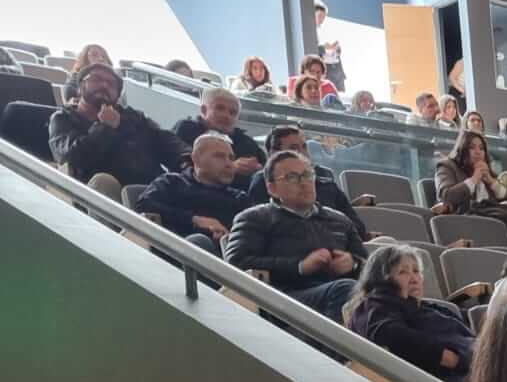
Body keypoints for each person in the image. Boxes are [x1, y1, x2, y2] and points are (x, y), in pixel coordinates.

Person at [223, 149, 369, 323]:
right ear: (272, 188)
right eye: (292, 177)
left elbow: (368, 265)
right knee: (345, 290)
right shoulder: (255, 218)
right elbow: (237, 264)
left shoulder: (339, 220)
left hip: (338, 290)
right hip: (283, 298)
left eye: (307, 175)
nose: (304, 183)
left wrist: (353, 263)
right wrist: (299, 266)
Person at [342, 244, 474, 382]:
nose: (414, 279)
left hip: (475, 371)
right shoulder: (373, 307)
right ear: (381, 280)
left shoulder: (431, 308)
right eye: (403, 272)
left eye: (416, 271)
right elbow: (388, 333)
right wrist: (448, 357)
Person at [49, 63, 185, 194]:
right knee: (103, 181)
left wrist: (187, 160)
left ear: (118, 95)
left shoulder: (133, 117)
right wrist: (105, 127)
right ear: (80, 86)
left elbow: (165, 140)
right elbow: (71, 157)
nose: (104, 85)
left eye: (111, 84)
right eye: (96, 79)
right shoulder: (63, 118)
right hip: (107, 194)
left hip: (153, 189)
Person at [133, 131, 250, 252]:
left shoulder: (239, 199)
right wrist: (194, 220)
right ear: (196, 159)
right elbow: (144, 205)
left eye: (231, 158)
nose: (229, 164)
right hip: (174, 252)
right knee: (199, 241)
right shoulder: (172, 183)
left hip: (222, 256)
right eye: (219, 156)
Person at [244, 124, 369, 232]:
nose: (302, 153)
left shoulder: (326, 183)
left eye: (304, 147)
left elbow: (357, 227)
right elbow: (265, 227)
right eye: (293, 148)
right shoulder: (263, 182)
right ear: (274, 154)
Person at [172, 86, 267, 185]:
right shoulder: (187, 129)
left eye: (233, 113)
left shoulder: (247, 143)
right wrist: (231, 167)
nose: (226, 116)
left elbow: (268, 172)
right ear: (204, 110)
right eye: (220, 108)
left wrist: (258, 169)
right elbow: (181, 163)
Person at [435, 129, 507, 226]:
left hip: (495, 224)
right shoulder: (447, 166)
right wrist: (474, 179)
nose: (478, 152)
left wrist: (492, 182)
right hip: (462, 224)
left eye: (481, 148)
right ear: (462, 149)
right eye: (472, 147)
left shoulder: (487, 173)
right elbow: (446, 196)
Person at [312, 0, 346, 91]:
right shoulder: (309, 32)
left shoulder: (320, 31)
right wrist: (324, 48)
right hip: (325, 72)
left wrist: (335, 51)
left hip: (334, 70)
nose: (322, 20)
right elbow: (311, 50)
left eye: (324, 17)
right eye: (320, 16)